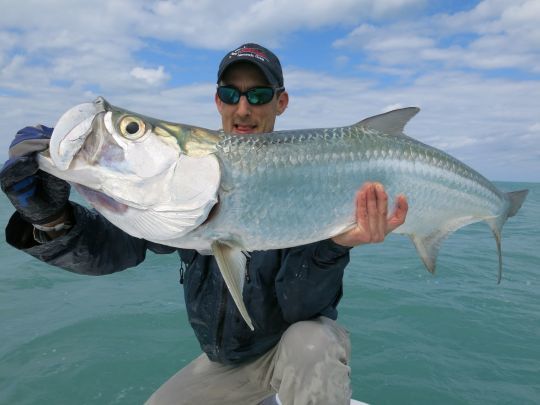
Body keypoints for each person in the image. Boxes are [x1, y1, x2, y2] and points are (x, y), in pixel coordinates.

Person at [1, 43, 408, 404]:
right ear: (217, 100)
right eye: (231, 94)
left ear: (281, 102)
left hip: (292, 350)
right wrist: (52, 220)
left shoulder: (308, 179)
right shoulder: (187, 182)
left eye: (259, 95)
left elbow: (303, 310)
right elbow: (115, 249)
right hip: (228, 361)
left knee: (313, 341)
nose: (243, 108)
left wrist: (336, 246)